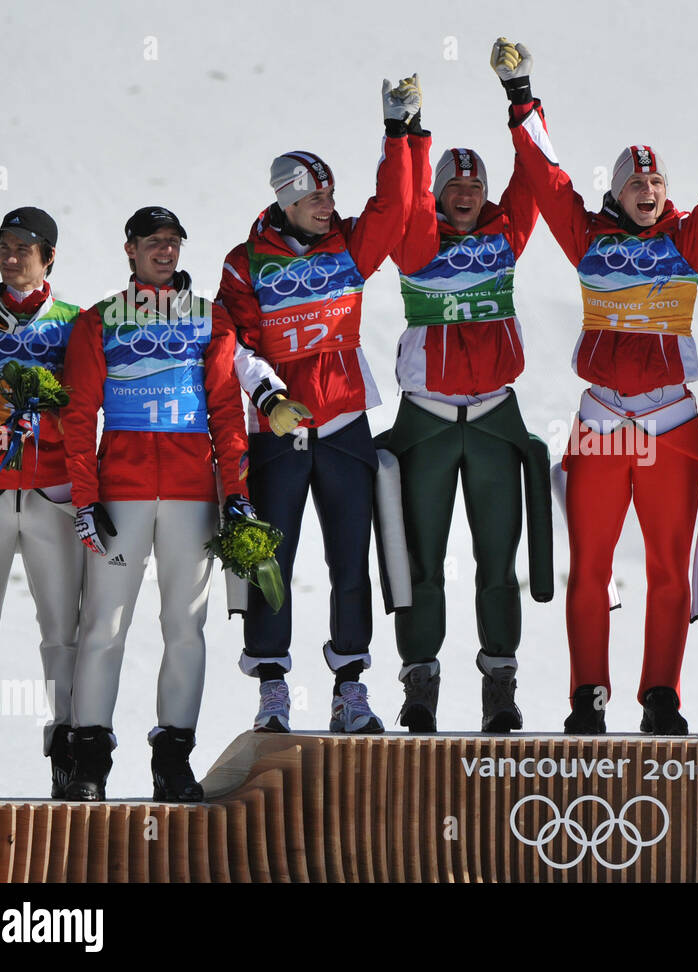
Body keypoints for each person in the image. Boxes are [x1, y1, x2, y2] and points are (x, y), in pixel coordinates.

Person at [495, 37, 698, 733]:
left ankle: (661, 693)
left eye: (657, 184)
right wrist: (520, 97)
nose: (649, 193)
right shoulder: (588, 237)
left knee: (668, 569)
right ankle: (587, 696)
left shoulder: (687, 241)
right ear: (618, 189)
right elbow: (546, 178)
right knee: (591, 570)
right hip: (603, 420)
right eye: (637, 183)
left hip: (665, 422)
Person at [216, 78, 417, 733]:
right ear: (288, 201)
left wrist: (399, 130)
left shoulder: (349, 246)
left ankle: (350, 687)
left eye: (331, 195)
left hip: (343, 422)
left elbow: (399, 205)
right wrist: (268, 394)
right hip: (279, 428)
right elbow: (236, 344)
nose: (329, 207)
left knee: (349, 557)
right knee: (268, 556)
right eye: (316, 198)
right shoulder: (244, 263)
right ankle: (272, 688)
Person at [61, 206, 250, 801]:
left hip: (193, 494)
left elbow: (226, 410)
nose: (165, 252)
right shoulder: (99, 322)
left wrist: (236, 494)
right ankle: (89, 763)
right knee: (103, 627)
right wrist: (86, 499)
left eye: (173, 242)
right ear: (130, 250)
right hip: (123, 493)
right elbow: (77, 414)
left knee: (184, 627)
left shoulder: (210, 320)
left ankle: (173, 761)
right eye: (153, 243)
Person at [386, 104, 551, 732]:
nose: (465, 195)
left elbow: (537, 175)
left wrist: (522, 98)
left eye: (474, 186)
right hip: (426, 417)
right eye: (453, 187)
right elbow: (402, 196)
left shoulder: (506, 231)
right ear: (437, 194)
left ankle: (500, 686)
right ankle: (419, 682)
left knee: (497, 561)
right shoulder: (415, 236)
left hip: (491, 417)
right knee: (422, 559)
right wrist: (410, 132)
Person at [0, 207, 82, 798]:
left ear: (48, 256)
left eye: (23, 247)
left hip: (51, 491)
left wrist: (46, 414)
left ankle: (68, 746)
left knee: (61, 626)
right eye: (4, 246)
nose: (10, 256)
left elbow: (86, 410)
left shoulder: (74, 322)